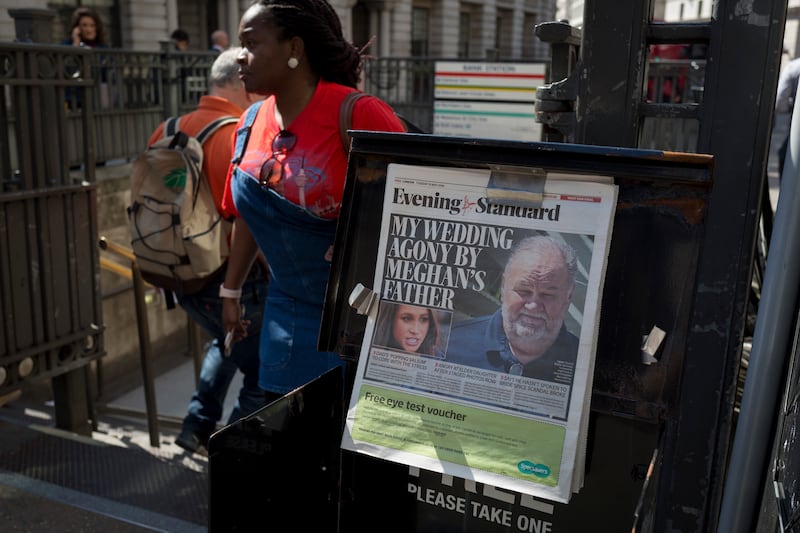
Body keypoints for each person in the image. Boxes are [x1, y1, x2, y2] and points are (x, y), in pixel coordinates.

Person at [220, 0, 407, 403]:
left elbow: (416, 213)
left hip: (360, 322)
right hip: (283, 317)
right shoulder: (249, 122)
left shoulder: (359, 114)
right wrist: (230, 292)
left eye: (252, 42)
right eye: (240, 43)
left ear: (294, 49)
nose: (240, 55)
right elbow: (250, 215)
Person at [147, 48, 268, 454]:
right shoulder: (237, 133)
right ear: (239, 82)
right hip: (230, 280)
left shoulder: (167, 129)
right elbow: (247, 218)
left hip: (179, 273)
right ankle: (228, 450)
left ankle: (196, 426)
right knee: (264, 373)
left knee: (226, 344)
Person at [445, 235, 580, 385]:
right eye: (524, 290)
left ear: (568, 297)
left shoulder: (582, 364)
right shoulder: (448, 343)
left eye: (548, 294)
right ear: (503, 286)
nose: (533, 306)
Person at [373, 302, 443, 357]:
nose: (415, 330)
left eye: (423, 319)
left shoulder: (436, 356)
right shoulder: (371, 353)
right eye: (407, 318)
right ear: (390, 319)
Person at [775, 56, 800, 178]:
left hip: (797, 130)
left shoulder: (794, 67)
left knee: (786, 159)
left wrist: (792, 105)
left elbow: (780, 103)